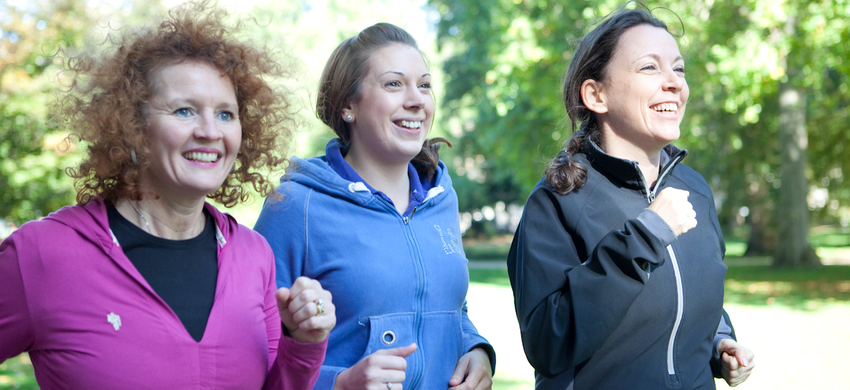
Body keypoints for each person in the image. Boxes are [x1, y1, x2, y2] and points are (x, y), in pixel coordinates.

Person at [0, 2, 335, 388]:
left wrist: (305, 343)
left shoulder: (253, 255)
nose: (211, 131)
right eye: (184, 111)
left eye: (226, 114)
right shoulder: (43, 254)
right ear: (132, 125)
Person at [507, 5, 755, 389]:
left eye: (679, 68)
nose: (674, 82)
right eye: (649, 67)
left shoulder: (695, 191)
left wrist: (719, 342)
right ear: (596, 94)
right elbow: (547, 342)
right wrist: (645, 236)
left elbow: (687, 295)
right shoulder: (556, 201)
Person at [254, 23, 495, 390]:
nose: (416, 99)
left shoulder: (441, 199)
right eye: (394, 84)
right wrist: (339, 383)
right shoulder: (295, 205)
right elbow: (254, 349)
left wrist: (475, 349)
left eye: (425, 84)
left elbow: (448, 308)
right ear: (348, 105)